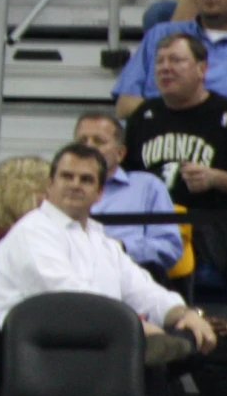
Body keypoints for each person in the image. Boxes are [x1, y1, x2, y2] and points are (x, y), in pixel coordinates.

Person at [0, 141, 218, 355]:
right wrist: (138, 327)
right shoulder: (32, 232)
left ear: (99, 193)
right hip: (40, 354)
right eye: (67, 177)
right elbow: (69, 299)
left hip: (94, 350)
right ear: (49, 185)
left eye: (86, 180)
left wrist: (184, 313)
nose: (75, 185)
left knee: (179, 354)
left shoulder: (101, 240)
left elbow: (143, 290)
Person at [124, 28, 227, 280]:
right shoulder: (142, 118)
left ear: (202, 69)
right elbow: (126, 180)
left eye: (176, 60)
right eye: (160, 61)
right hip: (149, 225)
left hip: (212, 226)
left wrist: (215, 178)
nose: (165, 68)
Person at [75, 109, 185, 273]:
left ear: (120, 153)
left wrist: (121, 247)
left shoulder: (147, 186)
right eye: (82, 141)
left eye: (99, 141)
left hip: (127, 274)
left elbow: (169, 248)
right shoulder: (58, 186)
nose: (89, 147)